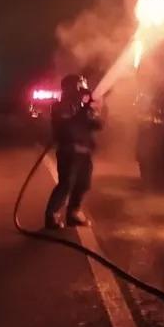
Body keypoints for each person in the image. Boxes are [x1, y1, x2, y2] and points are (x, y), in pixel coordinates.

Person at [44, 74, 102, 229]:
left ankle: (73, 214)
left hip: (84, 152)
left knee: (83, 184)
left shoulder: (83, 106)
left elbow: (98, 125)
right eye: (79, 85)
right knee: (66, 184)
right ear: (69, 87)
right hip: (68, 152)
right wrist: (84, 110)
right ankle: (51, 216)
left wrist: (94, 109)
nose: (82, 88)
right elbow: (67, 124)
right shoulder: (60, 106)